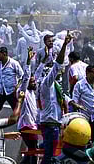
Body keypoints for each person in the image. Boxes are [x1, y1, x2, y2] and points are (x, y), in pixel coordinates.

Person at [38, 31, 72, 164]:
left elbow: (64, 97)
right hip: (50, 124)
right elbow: (57, 65)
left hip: (53, 124)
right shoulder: (46, 83)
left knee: (49, 150)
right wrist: (64, 45)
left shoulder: (55, 85)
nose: (58, 72)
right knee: (49, 156)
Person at [18, 48, 39, 164]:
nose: (34, 83)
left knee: (32, 149)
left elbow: (38, 74)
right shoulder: (23, 91)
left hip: (32, 125)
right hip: (26, 126)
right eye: (32, 82)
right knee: (33, 150)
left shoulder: (32, 92)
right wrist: (28, 61)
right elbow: (26, 77)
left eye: (34, 81)